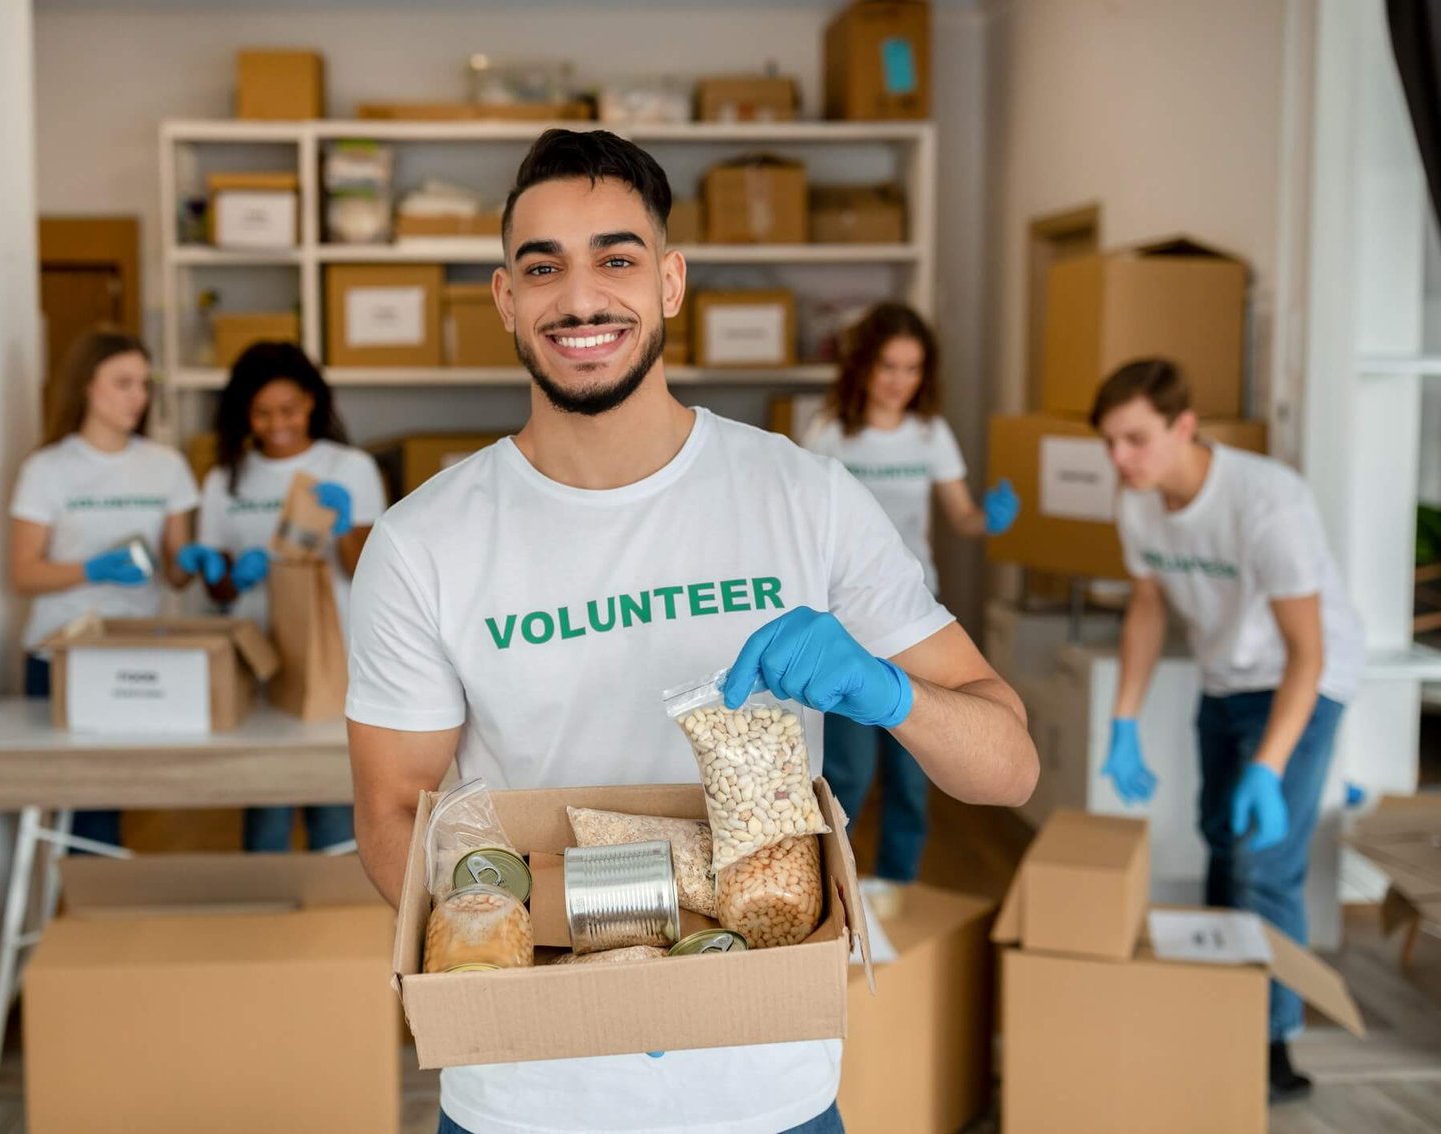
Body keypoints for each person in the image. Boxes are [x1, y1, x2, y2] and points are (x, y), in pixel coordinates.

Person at [346, 128, 1037, 1134]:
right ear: (505, 299)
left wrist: (889, 695)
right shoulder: (422, 544)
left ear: (670, 282)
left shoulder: (807, 499)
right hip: (531, 1093)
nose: (580, 299)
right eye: (543, 269)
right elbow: (392, 823)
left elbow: (1007, 768)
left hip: (765, 1089)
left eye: (616, 259)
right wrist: (614, 961)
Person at [1092, 358, 1364, 1103]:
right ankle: (1217, 1002)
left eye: (1136, 440)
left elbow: (1309, 652)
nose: (1121, 460)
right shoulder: (1138, 500)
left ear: (1185, 425)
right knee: (1219, 839)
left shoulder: (1266, 502)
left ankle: (1271, 1042)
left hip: (1303, 681)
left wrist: (1271, 766)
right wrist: (1123, 722)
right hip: (1224, 679)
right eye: (1111, 443)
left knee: (1263, 863)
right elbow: (1147, 604)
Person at [802, 303, 1020, 881]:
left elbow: (962, 516)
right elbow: (805, 529)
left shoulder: (931, 434)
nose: (900, 381)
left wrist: (988, 521)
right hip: (846, 623)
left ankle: (898, 895)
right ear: (864, 367)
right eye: (889, 366)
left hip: (914, 623)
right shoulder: (830, 433)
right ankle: (836, 896)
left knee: (911, 777)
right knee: (846, 774)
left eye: (913, 368)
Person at [178, 341, 386, 852]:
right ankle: (265, 923)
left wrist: (343, 529)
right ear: (244, 414)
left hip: (333, 660)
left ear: (313, 402)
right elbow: (217, 588)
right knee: (266, 811)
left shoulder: (349, 468)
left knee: (334, 813)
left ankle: (333, 923)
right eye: (263, 413)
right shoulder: (226, 478)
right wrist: (223, 573)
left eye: (289, 409)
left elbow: (372, 573)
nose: (278, 424)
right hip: (258, 658)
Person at [9, 326, 201, 849]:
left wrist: (192, 561)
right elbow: (24, 572)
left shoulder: (166, 467)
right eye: (123, 382)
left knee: (105, 811)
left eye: (143, 383)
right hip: (59, 655)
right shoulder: (46, 470)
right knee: (62, 805)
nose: (137, 396)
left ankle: (99, 920)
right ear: (86, 386)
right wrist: (94, 569)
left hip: (131, 654)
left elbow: (175, 573)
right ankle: (61, 919)